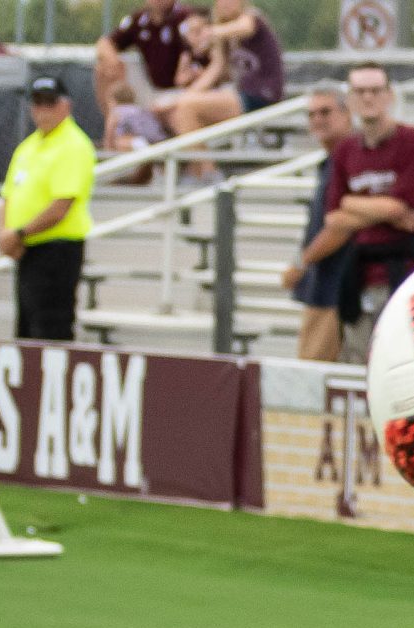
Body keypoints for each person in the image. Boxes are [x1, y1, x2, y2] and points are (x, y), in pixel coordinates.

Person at [285, 60, 414, 364]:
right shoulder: (345, 151)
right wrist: (385, 209)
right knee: (356, 365)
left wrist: (354, 203)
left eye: (375, 90)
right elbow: (335, 216)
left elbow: (406, 208)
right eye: (360, 91)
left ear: (390, 94)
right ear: (351, 99)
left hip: (399, 269)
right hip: (356, 277)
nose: (368, 98)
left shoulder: (411, 139)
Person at [0, 76, 96, 344]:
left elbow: (61, 206)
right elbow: (7, 195)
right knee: (28, 329)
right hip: (27, 248)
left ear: (66, 105)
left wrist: (17, 234)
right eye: (38, 103)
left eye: (50, 103)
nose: (43, 110)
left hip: (56, 249)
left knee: (50, 329)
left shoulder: (74, 145)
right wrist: (4, 234)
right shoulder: (29, 145)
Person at [281, 81, 355, 362]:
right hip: (324, 285)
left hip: (336, 287)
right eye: (311, 114)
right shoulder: (331, 160)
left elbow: (341, 225)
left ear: (347, 114)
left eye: (325, 112)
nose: (317, 120)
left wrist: (301, 262)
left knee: (314, 377)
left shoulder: (351, 158)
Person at [161, 0, 284, 144]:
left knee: (187, 107)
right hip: (242, 94)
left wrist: (208, 33)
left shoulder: (251, 18)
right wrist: (182, 97)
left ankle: (204, 165)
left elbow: (246, 26)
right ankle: (199, 165)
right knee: (176, 110)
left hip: (262, 95)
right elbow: (215, 69)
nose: (226, 3)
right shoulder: (221, 31)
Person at [92, 0, 196, 157]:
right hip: (151, 89)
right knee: (104, 69)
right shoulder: (140, 19)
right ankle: (115, 131)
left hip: (182, 91)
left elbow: (196, 56)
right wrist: (114, 62)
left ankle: (189, 162)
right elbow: (105, 43)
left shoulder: (185, 17)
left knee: (180, 110)